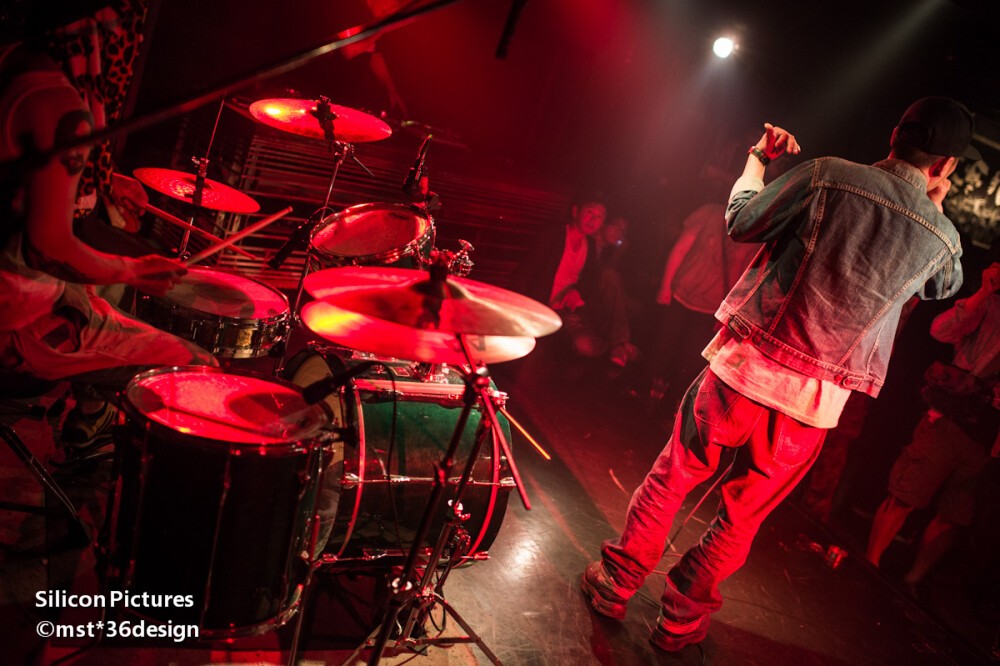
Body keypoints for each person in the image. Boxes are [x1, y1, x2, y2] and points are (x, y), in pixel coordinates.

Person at [581, 96, 976, 653]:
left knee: (674, 477)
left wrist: (757, 160)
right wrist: (934, 204)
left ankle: (616, 584)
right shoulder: (941, 236)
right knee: (741, 518)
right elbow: (945, 285)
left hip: (744, 368)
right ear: (947, 165)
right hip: (813, 407)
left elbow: (740, 220)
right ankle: (680, 619)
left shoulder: (827, 175)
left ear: (894, 135)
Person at [0, 2, 216, 451]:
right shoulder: (57, 106)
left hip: (28, 295)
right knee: (198, 369)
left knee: (101, 283)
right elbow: (48, 249)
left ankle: (92, 410)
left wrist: (103, 177)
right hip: (17, 325)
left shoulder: (11, 62)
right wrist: (135, 271)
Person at [866, 262, 1000, 594]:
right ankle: (868, 566)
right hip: (949, 418)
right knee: (906, 493)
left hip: (988, 435)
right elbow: (940, 330)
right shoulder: (990, 305)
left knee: (955, 515)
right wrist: (984, 291)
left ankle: (913, 581)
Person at [649, 175, 763, 413]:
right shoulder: (710, 213)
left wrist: (729, 315)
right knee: (665, 343)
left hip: (711, 306)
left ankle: (673, 401)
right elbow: (681, 248)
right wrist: (665, 285)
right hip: (681, 292)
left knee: (690, 355)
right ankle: (649, 390)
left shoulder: (754, 237)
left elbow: (745, 279)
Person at [513, 197, 637, 369]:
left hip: (566, 311)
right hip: (539, 307)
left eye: (600, 216)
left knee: (586, 346)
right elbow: (527, 271)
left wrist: (576, 292)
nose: (593, 220)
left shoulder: (590, 245)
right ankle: (616, 345)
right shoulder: (555, 234)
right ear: (575, 211)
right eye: (590, 212)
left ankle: (613, 346)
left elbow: (588, 280)